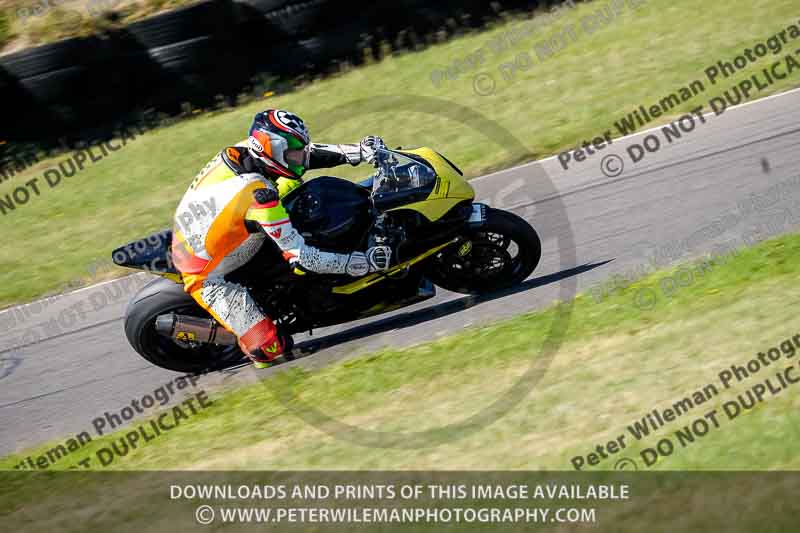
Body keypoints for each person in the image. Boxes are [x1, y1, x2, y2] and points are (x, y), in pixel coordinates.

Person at [171, 109, 391, 368]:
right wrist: (361, 263)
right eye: (293, 153)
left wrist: (358, 152)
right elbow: (303, 259)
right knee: (271, 351)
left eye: (298, 150)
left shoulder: (246, 150)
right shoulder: (259, 196)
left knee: (294, 185)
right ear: (271, 150)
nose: (300, 157)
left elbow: (307, 155)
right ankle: (238, 337)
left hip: (211, 224)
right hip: (206, 274)